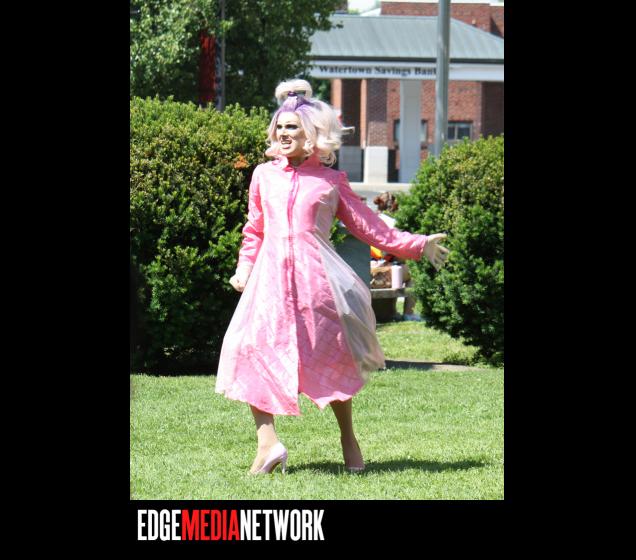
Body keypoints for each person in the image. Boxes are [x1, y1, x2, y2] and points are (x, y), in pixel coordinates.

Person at [215, 82, 449, 475]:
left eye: (293, 127)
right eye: (280, 127)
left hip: (316, 284)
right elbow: (254, 229)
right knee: (250, 350)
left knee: (332, 359)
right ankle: (267, 444)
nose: (284, 134)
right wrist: (244, 268)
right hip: (269, 283)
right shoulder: (263, 176)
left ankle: (348, 439)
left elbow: (370, 226)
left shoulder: (330, 181)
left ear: (311, 135)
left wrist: (417, 244)